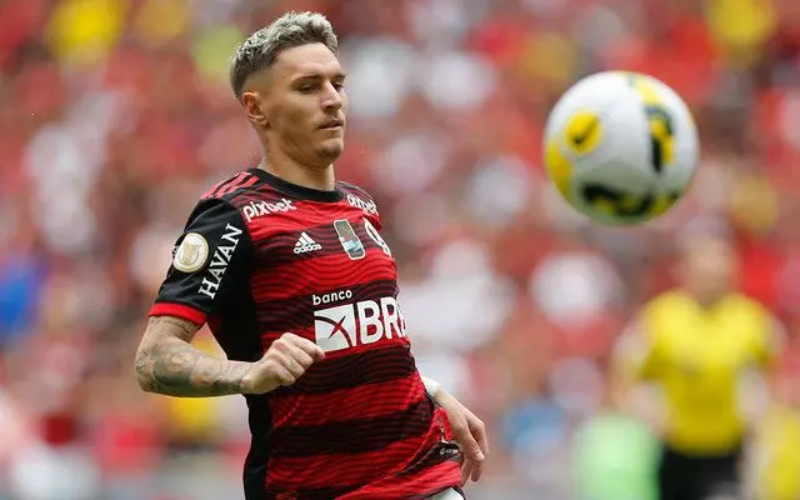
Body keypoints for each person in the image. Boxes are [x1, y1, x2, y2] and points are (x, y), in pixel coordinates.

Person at [133, 11, 487, 500]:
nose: (332, 99)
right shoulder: (233, 217)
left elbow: (358, 339)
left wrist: (428, 390)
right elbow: (152, 358)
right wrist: (249, 374)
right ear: (258, 108)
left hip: (422, 480)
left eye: (337, 83)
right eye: (307, 87)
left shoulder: (360, 205)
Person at [611, 222, 784, 500]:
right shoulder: (661, 318)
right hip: (678, 448)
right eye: (705, 273)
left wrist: (763, 416)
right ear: (686, 272)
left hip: (727, 449)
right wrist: (644, 411)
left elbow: (776, 370)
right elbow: (625, 370)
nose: (713, 280)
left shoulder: (751, 321)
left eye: (719, 274)